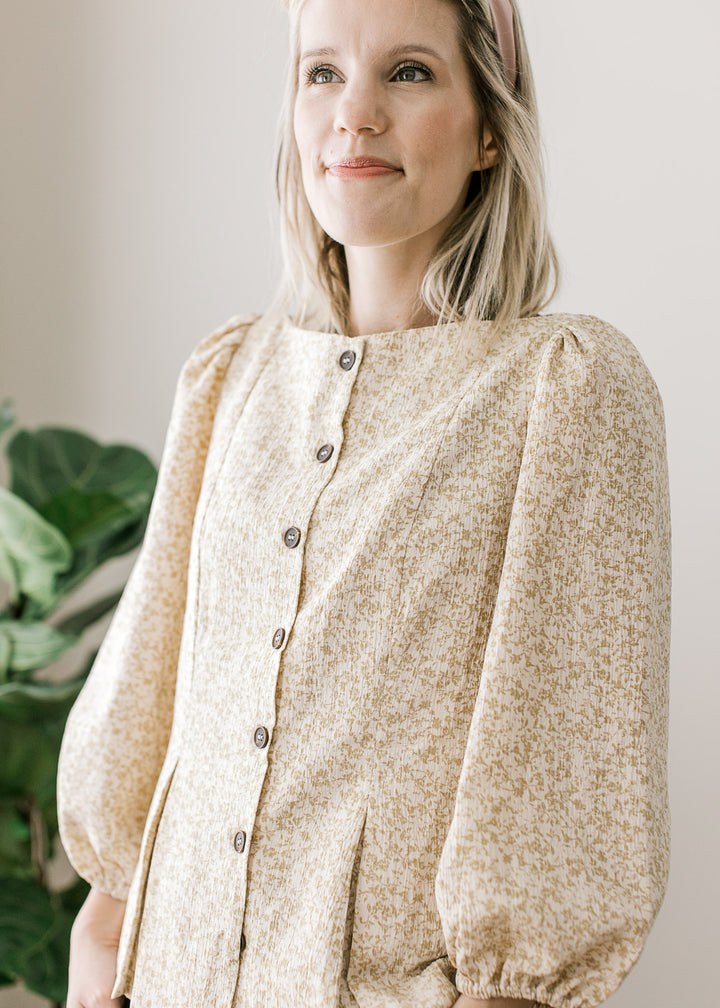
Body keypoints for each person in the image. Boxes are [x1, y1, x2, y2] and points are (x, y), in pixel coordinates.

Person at [57, 0, 672, 1006]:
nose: (355, 115)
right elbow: (145, 725)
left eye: (411, 73)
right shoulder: (227, 381)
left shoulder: (564, 392)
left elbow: (560, 771)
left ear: (488, 128)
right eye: (322, 73)